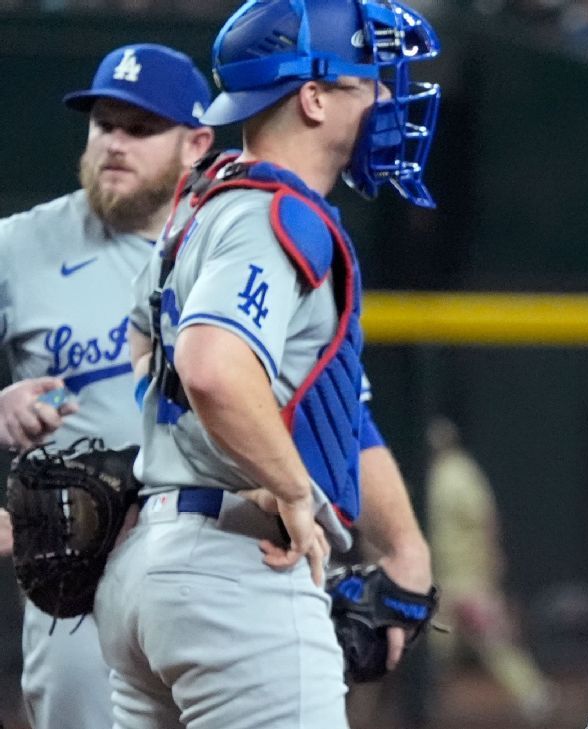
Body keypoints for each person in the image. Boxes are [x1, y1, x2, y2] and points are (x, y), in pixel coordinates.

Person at [92, 0, 441, 726]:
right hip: (237, 575)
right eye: (368, 80)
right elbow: (211, 366)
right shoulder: (273, 214)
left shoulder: (202, 200)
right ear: (313, 97)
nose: (386, 97)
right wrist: (292, 487)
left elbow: (144, 344)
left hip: (152, 568)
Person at [0, 43, 214, 729]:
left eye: (141, 128)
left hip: (223, 560)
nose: (115, 144)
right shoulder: (19, 247)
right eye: (104, 125)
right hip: (79, 572)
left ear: (196, 143)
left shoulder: (237, 242)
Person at [423, 417, 554, 722]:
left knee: (493, 640)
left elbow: (486, 520)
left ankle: (536, 696)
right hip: (442, 575)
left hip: (468, 575)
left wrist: (490, 565)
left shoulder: (459, 472)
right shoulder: (434, 475)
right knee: (431, 640)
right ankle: (424, 702)